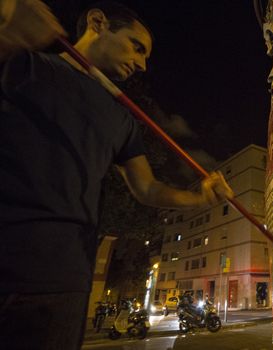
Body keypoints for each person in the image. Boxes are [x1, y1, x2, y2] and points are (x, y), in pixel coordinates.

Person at [0, 1, 234, 349]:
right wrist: (8, 34)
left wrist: (199, 198)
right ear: (98, 22)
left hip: (65, 277)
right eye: (136, 46)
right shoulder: (23, 64)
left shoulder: (122, 118)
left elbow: (147, 188)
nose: (141, 64)